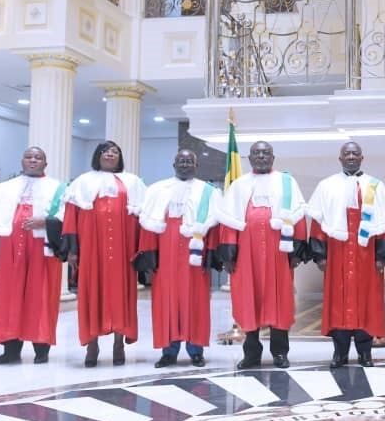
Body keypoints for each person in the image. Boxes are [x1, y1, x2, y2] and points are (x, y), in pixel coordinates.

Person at [307, 141, 385, 368]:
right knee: (338, 304)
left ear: (362, 158)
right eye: (347, 153)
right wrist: (320, 255)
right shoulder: (326, 186)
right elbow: (318, 223)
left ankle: (365, 353)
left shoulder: (375, 186)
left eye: (355, 153)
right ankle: (340, 353)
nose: (351, 157)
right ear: (340, 158)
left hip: (366, 255)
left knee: (368, 303)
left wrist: (381, 255)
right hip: (337, 254)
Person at [218, 141, 307, 369]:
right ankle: (251, 354)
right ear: (249, 158)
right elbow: (228, 220)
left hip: (279, 251)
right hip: (246, 253)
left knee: (280, 300)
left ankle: (280, 352)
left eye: (266, 153)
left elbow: (298, 217)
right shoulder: (239, 185)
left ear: (273, 158)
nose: (261, 156)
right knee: (249, 299)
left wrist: (297, 250)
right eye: (256, 153)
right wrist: (228, 253)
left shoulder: (287, 182)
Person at [0, 146, 66, 364]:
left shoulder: (58, 188)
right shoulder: (5, 188)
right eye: (29, 157)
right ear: (22, 161)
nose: (33, 160)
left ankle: (41, 349)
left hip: (43, 253)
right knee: (9, 298)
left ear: (45, 163)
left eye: (38, 157)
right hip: (9, 251)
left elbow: (68, 218)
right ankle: (11, 350)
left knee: (41, 297)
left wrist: (46, 222)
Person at [61, 141, 146, 367]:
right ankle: (92, 345)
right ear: (97, 156)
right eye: (105, 151)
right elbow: (70, 216)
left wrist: (142, 249)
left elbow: (143, 218)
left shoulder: (133, 182)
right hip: (91, 248)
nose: (110, 154)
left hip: (123, 250)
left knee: (122, 294)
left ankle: (119, 344)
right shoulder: (83, 181)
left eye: (115, 151)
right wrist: (72, 249)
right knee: (91, 294)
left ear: (120, 157)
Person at [136, 149, 222, 368]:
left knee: (196, 302)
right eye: (181, 161)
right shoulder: (157, 190)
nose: (185, 164)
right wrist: (150, 254)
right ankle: (169, 351)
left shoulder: (208, 192)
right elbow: (149, 224)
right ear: (173, 164)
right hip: (165, 253)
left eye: (189, 161)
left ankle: (196, 350)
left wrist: (211, 254)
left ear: (196, 165)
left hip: (195, 255)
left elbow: (214, 226)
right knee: (166, 302)